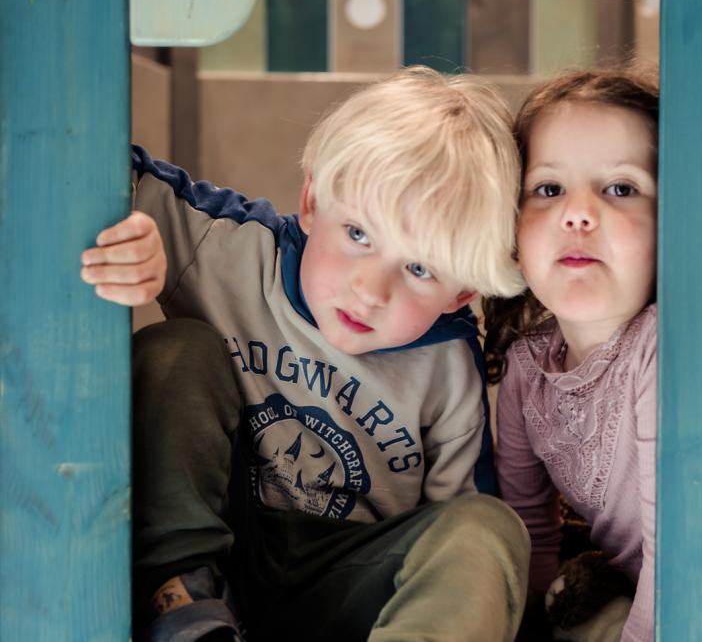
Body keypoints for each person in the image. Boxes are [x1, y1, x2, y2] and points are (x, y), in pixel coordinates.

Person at [80, 66, 532, 642]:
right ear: (314, 201)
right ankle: (180, 605)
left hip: (344, 585)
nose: (370, 290)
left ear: (461, 293)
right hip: (214, 547)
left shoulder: (449, 363)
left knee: (488, 527)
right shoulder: (227, 246)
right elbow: (87, 165)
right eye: (358, 234)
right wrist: (129, 231)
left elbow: (461, 537)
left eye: (420, 268)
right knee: (177, 350)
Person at [483, 68, 659, 642]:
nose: (578, 213)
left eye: (621, 188)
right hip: (623, 592)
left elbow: (679, 556)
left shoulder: (660, 350)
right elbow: (530, 532)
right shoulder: (525, 369)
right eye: (549, 189)